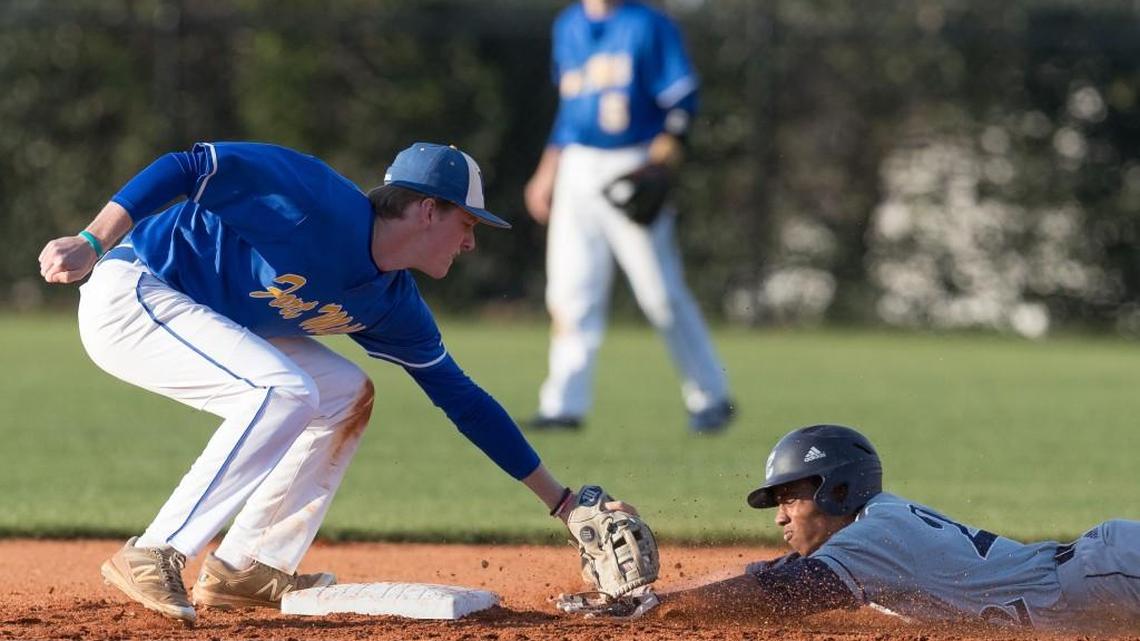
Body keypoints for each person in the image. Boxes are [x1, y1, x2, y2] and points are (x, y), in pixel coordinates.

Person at [38, 141, 605, 624]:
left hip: (202, 314)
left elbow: (464, 401)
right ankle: (157, 551)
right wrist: (92, 240)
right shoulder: (314, 202)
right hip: (135, 291)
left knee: (342, 394)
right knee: (284, 390)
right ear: (428, 210)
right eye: (467, 223)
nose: (470, 242)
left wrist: (562, 503)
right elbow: (190, 165)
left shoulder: (392, 305)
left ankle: (247, 567)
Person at [633, 424, 1140, 630]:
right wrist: (652, 594)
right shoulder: (874, 528)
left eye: (790, 496)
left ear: (836, 490)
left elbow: (778, 592)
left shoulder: (873, 537)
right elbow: (771, 570)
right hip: (1102, 576)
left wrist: (656, 609)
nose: (780, 515)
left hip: (1107, 576)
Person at [523, 0, 733, 433]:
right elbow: (570, 110)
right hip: (577, 165)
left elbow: (681, 99)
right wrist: (547, 171)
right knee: (570, 294)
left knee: (660, 294)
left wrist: (663, 155)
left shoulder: (647, 23)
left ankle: (710, 397)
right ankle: (563, 405)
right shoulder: (569, 25)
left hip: (632, 160)